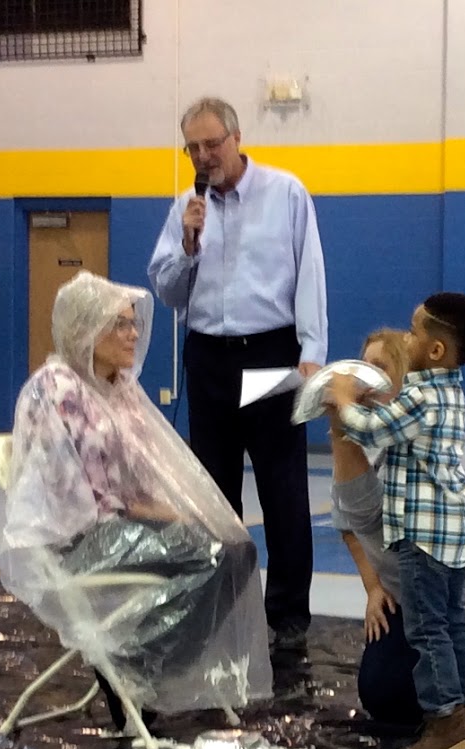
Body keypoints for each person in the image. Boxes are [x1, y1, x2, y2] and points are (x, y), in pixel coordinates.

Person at [0, 271, 271, 727]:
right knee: (204, 553)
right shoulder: (56, 390)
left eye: (132, 323)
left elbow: (141, 474)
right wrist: (160, 514)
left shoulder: (119, 390)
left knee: (237, 549)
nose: (133, 334)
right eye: (118, 325)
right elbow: (74, 499)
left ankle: (135, 660)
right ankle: (134, 667)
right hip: (78, 538)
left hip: (121, 524)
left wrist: (174, 510)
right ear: (86, 329)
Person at [146, 96, 326, 649]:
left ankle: (289, 617)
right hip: (209, 359)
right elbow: (168, 291)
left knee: (284, 491)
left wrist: (312, 352)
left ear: (237, 137)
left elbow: (310, 271)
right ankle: (223, 607)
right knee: (215, 496)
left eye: (212, 144)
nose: (203, 156)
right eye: (193, 148)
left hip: (272, 354)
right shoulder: (185, 207)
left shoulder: (286, 193)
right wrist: (188, 245)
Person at [330, 329, 465, 736]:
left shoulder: (431, 425)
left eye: (379, 368)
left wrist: (342, 415)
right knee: (383, 694)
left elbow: (371, 514)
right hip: (421, 593)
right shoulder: (360, 436)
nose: (363, 378)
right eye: (361, 367)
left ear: (403, 378)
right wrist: (374, 588)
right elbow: (350, 524)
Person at [330, 294, 465, 749]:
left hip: (424, 536)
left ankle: (445, 719)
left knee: (427, 629)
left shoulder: (421, 398)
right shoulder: (450, 392)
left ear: (436, 350)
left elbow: (369, 428)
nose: (407, 338)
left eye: (414, 331)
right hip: (453, 534)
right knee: (452, 622)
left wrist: (342, 399)